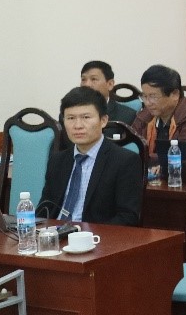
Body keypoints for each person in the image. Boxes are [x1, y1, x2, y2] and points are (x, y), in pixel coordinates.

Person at [40, 87, 143, 225]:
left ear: (103, 120)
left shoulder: (125, 161)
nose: (78, 126)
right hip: (55, 233)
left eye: (86, 117)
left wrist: (83, 233)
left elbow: (128, 217)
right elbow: (44, 209)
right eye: (70, 118)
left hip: (94, 235)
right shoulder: (57, 160)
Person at [130, 64, 186, 149]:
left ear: (175, 94)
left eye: (153, 96)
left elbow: (182, 154)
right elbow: (131, 145)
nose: (147, 103)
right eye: (144, 96)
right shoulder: (147, 113)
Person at [78, 60, 136, 125]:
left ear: (110, 84)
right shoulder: (72, 112)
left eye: (94, 79)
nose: (87, 84)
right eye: (83, 79)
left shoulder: (128, 116)